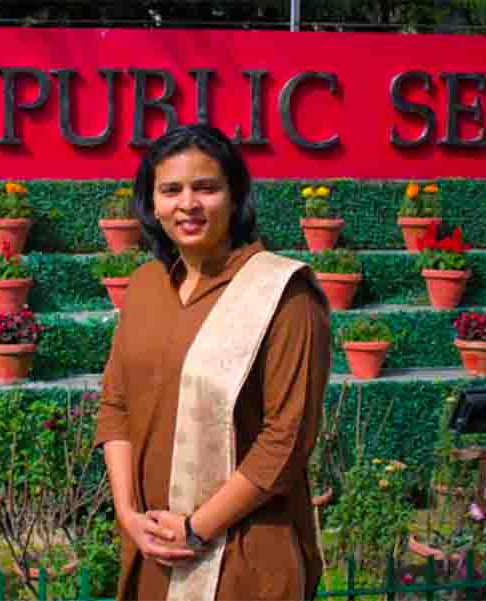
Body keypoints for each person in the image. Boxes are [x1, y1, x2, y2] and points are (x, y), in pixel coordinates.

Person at [94, 123, 331, 601]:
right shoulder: (144, 287)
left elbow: (285, 440)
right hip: (151, 547)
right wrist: (127, 514)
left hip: (242, 557)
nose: (188, 204)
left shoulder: (283, 295)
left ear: (235, 195)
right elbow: (116, 405)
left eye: (206, 187)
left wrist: (196, 528)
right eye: (170, 190)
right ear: (151, 203)